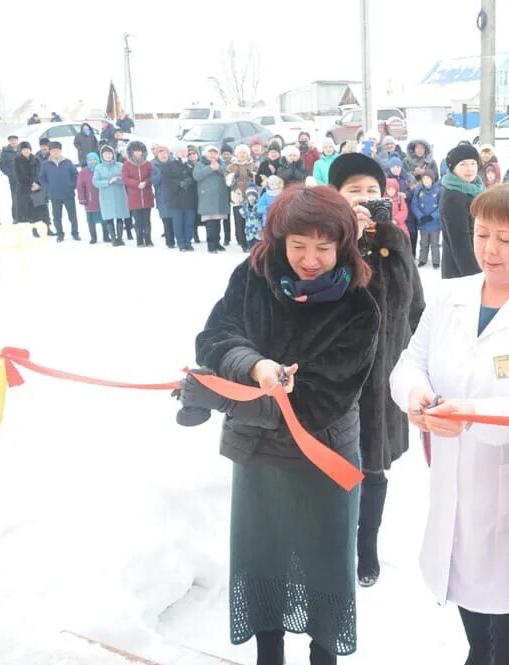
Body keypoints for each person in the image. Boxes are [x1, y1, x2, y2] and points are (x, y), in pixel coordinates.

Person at [180, 185, 381, 665]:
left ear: (344, 246)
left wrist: (222, 397)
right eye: (297, 246)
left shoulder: (358, 309)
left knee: (324, 565)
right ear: (278, 240)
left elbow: (322, 402)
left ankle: (322, 654)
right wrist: (254, 367)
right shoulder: (253, 277)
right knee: (261, 560)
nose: (309, 259)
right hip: (257, 457)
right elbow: (215, 336)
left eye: (323, 248)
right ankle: (267, 654)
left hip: (323, 458)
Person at [390, 184, 509, 665]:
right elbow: (410, 364)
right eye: (482, 235)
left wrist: (469, 418)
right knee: (470, 603)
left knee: (508, 607)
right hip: (453, 475)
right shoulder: (450, 296)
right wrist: (416, 396)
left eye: (507, 238)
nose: (490, 250)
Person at [328, 153, 425, 587]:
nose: (365, 198)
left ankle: (367, 545)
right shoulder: (325, 238)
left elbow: (415, 303)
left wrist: (385, 238)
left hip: (385, 373)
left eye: (372, 190)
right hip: (338, 377)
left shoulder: (396, 239)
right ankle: (333, 541)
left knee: (373, 467)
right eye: (354, 191)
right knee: (331, 464)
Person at [440, 144, 486, 279]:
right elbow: (460, 244)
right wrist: (475, 278)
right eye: (463, 164)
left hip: (479, 261)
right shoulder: (454, 197)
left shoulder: (477, 189)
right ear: (452, 168)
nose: (469, 169)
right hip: (462, 272)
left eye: (473, 163)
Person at [38, 141, 79, 242]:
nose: (55, 152)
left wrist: (72, 185)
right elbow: (42, 178)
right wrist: (48, 188)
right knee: (57, 216)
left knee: (72, 216)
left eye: (57, 150)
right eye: (53, 151)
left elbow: (75, 175)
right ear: (50, 152)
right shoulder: (45, 164)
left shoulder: (68, 162)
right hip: (54, 194)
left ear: (60, 151)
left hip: (68, 193)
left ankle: (75, 233)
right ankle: (60, 234)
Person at [194, 145, 231, 253]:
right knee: (210, 223)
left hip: (219, 197)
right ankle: (211, 245)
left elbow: (227, 173)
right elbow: (197, 176)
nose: (213, 155)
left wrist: (218, 168)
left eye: (215, 153)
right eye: (210, 153)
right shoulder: (199, 164)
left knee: (217, 221)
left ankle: (217, 243)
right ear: (206, 154)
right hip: (207, 198)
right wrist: (210, 168)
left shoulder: (221, 163)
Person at [93, 145, 130, 247]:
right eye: (105, 154)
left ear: (113, 154)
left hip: (119, 195)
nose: (108, 156)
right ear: (102, 155)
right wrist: (108, 182)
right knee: (109, 217)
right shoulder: (98, 167)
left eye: (109, 153)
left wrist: (117, 180)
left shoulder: (120, 165)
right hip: (106, 196)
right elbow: (95, 182)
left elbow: (126, 179)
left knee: (119, 217)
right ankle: (113, 238)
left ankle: (120, 238)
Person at [162, 148, 198, 252]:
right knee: (178, 222)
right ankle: (181, 243)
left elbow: (196, 177)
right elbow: (166, 179)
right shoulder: (170, 164)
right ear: (176, 152)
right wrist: (178, 183)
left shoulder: (191, 164)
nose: (183, 153)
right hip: (176, 199)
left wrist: (190, 180)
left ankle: (188, 242)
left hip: (190, 198)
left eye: (185, 151)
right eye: (180, 151)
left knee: (189, 222)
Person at [122, 141, 155, 247]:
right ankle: (139, 240)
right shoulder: (126, 165)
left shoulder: (148, 164)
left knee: (147, 219)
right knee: (138, 220)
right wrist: (137, 184)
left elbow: (152, 176)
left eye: (139, 151)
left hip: (146, 195)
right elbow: (125, 178)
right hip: (134, 197)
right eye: (135, 151)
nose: (137, 153)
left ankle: (148, 239)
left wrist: (146, 182)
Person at [14, 141, 49, 236]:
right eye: (24, 149)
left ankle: (48, 228)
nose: (26, 151)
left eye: (28, 149)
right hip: (25, 189)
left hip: (37, 188)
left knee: (43, 208)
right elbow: (19, 176)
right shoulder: (17, 160)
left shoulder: (36, 159)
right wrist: (31, 184)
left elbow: (40, 173)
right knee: (31, 211)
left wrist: (37, 183)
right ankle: (34, 230)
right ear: (21, 151)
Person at [228, 145, 259, 251]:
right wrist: (233, 177)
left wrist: (253, 176)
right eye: (240, 153)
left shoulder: (252, 165)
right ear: (236, 154)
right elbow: (227, 181)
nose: (242, 155)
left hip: (250, 196)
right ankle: (242, 243)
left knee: (250, 220)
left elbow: (258, 178)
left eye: (244, 153)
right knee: (239, 220)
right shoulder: (232, 166)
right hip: (237, 195)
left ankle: (251, 241)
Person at [77, 152, 111, 244]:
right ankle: (93, 237)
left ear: (98, 159)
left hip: (102, 199)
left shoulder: (102, 168)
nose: (92, 162)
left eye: (94, 159)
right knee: (91, 220)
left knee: (105, 218)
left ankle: (106, 236)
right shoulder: (84, 171)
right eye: (90, 160)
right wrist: (82, 198)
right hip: (90, 200)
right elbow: (80, 186)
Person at [410, 172, 442, 269]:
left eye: (428, 178)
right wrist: (420, 216)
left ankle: (436, 261)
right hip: (423, 222)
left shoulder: (439, 190)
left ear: (432, 179)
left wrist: (433, 216)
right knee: (423, 242)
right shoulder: (418, 191)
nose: (426, 181)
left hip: (434, 223)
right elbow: (414, 205)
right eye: (424, 179)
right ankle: (422, 260)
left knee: (434, 243)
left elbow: (441, 206)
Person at [150, 146, 176, 248]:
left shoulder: (174, 163)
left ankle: (178, 238)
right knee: (166, 219)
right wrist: (162, 173)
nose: (163, 155)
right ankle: (170, 241)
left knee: (176, 219)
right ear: (157, 154)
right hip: (162, 195)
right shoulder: (153, 165)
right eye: (161, 153)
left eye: (165, 153)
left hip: (175, 195)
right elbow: (154, 181)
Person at [0, 135, 20, 222]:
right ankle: (15, 217)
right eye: (11, 141)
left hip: (24, 178)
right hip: (14, 179)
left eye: (15, 140)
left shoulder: (21, 150)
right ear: (9, 142)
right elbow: (1, 165)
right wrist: (10, 174)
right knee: (15, 198)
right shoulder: (5, 152)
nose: (13, 142)